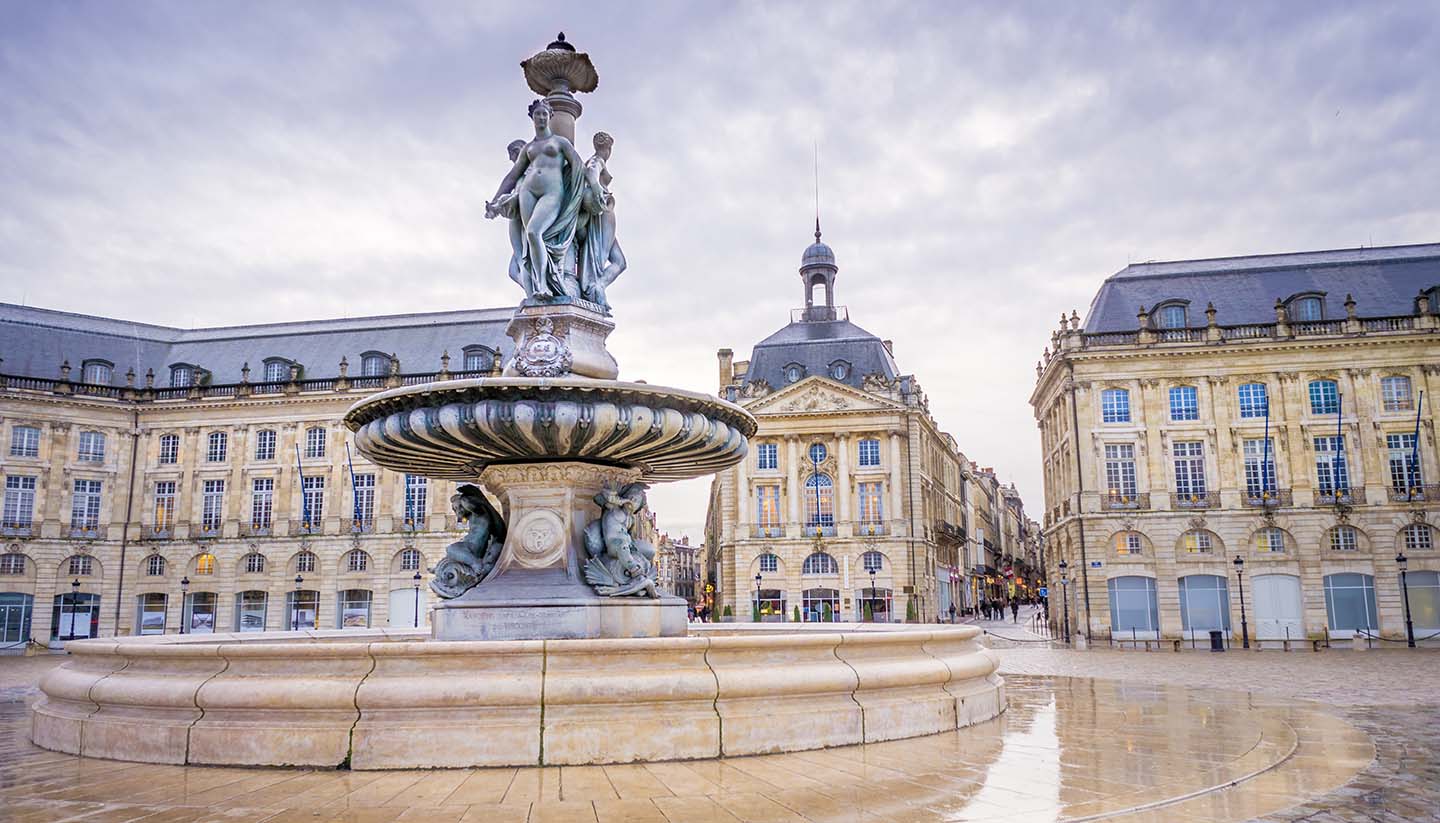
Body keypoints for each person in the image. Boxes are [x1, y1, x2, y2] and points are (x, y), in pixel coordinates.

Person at [486, 99, 587, 302]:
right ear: (532, 118)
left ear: (550, 117)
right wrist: (496, 202)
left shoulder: (560, 142)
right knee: (527, 241)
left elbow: (579, 168)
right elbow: (513, 175)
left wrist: (586, 193)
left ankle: (544, 283)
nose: (540, 117)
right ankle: (538, 286)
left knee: (533, 231)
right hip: (528, 193)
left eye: (544, 114)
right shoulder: (529, 148)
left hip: (552, 193)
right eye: (537, 114)